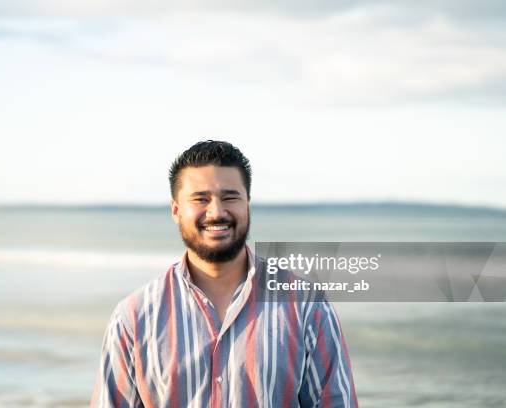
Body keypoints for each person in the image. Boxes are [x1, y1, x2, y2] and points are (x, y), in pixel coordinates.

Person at [90, 140, 357, 407]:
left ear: (248, 205)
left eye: (230, 197)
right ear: (176, 210)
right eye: (200, 199)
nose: (217, 212)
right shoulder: (134, 318)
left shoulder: (306, 305)